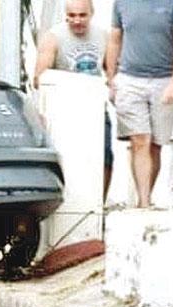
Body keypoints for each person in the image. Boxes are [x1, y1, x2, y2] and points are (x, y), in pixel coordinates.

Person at [106, 0, 173, 208]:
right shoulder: (122, 3)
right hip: (129, 79)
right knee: (139, 140)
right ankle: (143, 203)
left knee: (155, 145)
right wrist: (111, 78)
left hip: (163, 79)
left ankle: (145, 196)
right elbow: (115, 39)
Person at [34, 0, 113, 201]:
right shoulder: (53, 37)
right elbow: (39, 79)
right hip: (64, 109)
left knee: (105, 157)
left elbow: (112, 73)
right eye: (72, 15)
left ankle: (98, 205)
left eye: (82, 15)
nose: (77, 20)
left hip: (95, 108)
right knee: (67, 160)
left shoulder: (103, 36)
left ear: (92, 14)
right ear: (66, 15)